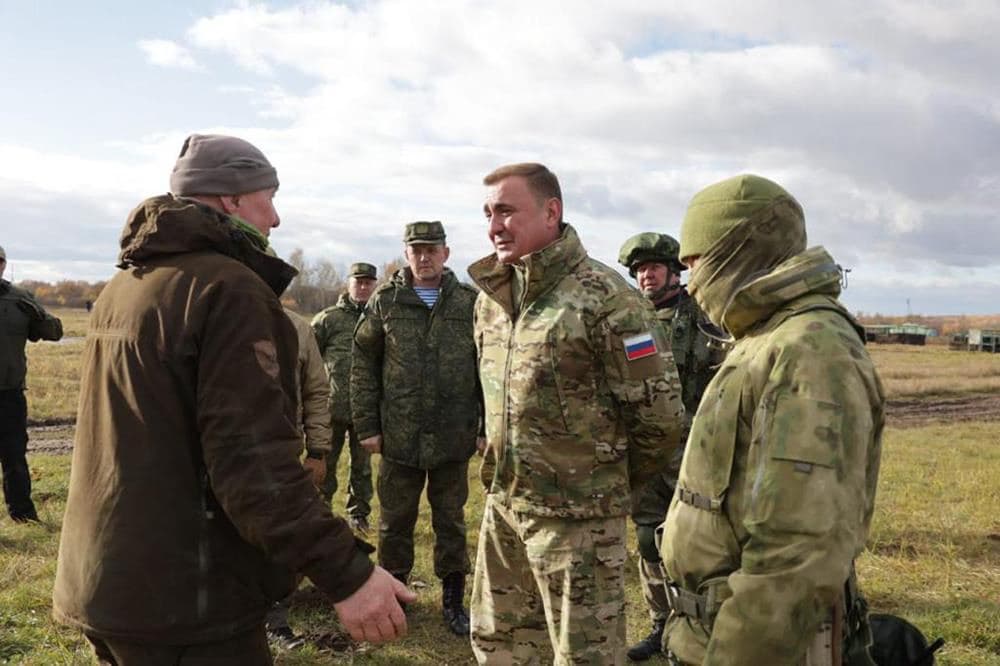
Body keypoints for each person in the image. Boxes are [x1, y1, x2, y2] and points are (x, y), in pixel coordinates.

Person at [52, 134, 414, 665]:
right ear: (232, 199)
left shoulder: (126, 285)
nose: (276, 217)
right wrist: (348, 574)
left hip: (106, 580)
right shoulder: (229, 291)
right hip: (188, 597)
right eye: (268, 196)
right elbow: (255, 466)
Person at [659, 174, 884, 665]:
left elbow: (799, 548)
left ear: (740, 250)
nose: (691, 282)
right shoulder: (766, 339)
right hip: (718, 633)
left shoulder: (810, 349)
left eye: (696, 262)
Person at [468, 163, 685, 665]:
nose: (494, 226)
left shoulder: (609, 301)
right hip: (506, 506)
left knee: (583, 657)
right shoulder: (492, 301)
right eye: (487, 213)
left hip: (580, 522)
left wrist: (601, 487)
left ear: (551, 212)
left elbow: (661, 418)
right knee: (500, 644)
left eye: (505, 210)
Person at [351, 221, 481, 637]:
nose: (424, 257)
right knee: (394, 523)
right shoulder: (386, 301)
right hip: (399, 437)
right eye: (416, 250)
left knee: (451, 522)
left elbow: (487, 370)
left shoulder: (469, 302)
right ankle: (395, 596)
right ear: (406, 255)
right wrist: (368, 426)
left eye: (432, 250)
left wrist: (483, 426)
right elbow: (362, 366)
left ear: (446, 253)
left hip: (452, 436)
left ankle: (453, 600)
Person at [616, 232, 727, 661]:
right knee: (648, 539)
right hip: (645, 450)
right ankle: (661, 623)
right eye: (640, 269)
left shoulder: (705, 316)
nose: (646, 275)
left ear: (673, 272)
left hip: (694, 450)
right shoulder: (629, 318)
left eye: (654, 268)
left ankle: (703, 624)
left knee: (696, 541)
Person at [263, 307, 333, 647]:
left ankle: (276, 619)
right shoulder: (217, 317)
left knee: (290, 533)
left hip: (284, 454)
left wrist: (318, 450)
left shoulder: (298, 328)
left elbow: (317, 390)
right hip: (227, 453)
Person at [311, 262, 378, 534]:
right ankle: (320, 514)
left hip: (365, 412)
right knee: (324, 465)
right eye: (358, 282)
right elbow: (309, 360)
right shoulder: (328, 319)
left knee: (361, 469)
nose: (362, 287)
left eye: (367, 282)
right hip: (330, 409)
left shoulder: (379, 319)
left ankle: (358, 515)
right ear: (348, 284)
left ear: (374, 286)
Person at [0, 244, 63, 523]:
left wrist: (39, 315)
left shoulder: (19, 298)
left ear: (3, 264)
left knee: (14, 457)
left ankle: (23, 515)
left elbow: (53, 332)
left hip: (9, 393)